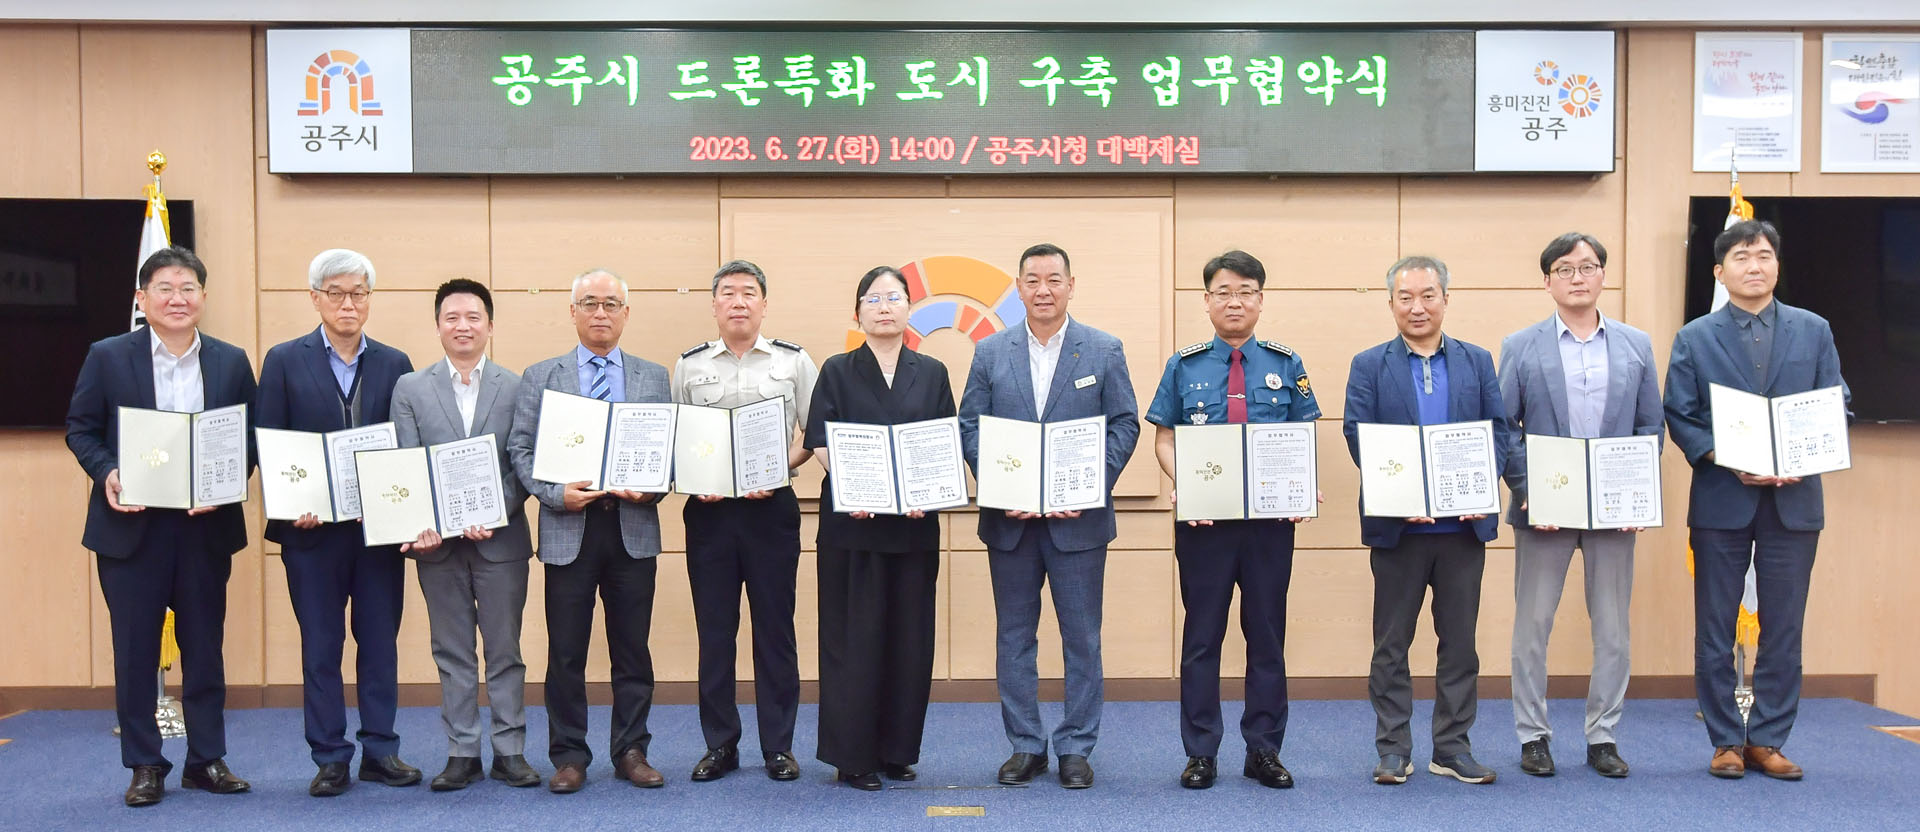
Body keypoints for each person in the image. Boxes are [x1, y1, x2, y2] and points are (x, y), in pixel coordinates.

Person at [65, 246, 256, 807]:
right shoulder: (108, 356)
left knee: (206, 649)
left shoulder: (230, 361)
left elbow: (249, 438)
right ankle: (145, 764)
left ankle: (206, 760)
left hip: (204, 529)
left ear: (203, 296)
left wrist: (224, 485)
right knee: (134, 651)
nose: (178, 298)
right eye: (165, 288)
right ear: (141, 298)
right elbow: (81, 429)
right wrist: (109, 472)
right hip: (132, 528)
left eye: (188, 288)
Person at [1664, 219, 1848, 781]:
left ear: (1777, 266)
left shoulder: (1813, 329)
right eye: (1742, 257)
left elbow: (1836, 400)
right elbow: (1680, 413)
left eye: (1764, 255)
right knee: (1715, 627)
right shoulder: (1695, 336)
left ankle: (1767, 739)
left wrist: (1804, 453)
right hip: (1723, 497)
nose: (1755, 266)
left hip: (1794, 502)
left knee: (1784, 628)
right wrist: (1725, 457)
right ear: (1720, 272)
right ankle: (1724, 740)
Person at [959, 242, 1141, 790]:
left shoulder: (1103, 349)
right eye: (1033, 280)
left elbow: (1125, 424)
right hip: (1011, 524)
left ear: (1071, 285)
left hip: (1077, 523)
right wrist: (998, 487)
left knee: (1082, 639)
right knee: (1014, 638)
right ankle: (1025, 745)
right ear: (1019, 288)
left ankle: (1076, 747)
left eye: (1054, 280)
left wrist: (1089, 485)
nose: (1044, 290)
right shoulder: (990, 352)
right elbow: (971, 425)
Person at [1146, 251, 1320, 791]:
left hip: (1269, 526)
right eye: (1223, 292)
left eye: (1245, 291)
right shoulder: (1184, 365)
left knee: (1266, 635)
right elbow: (1165, 438)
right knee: (1202, 637)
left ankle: (1264, 750)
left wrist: (1303, 483)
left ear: (1260, 300)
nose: (1235, 301)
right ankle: (1200, 752)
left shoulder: (1286, 363)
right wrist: (1186, 481)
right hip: (1205, 527)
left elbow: (1302, 436)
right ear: (1207, 301)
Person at [1498, 233, 1662, 779]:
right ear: (1547, 281)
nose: (1577, 277)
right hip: (1544, 508)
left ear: (1603, 276)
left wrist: (1637, 491)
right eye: (1565, 269)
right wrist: (1528, 487)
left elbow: (1649, 426)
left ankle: (1603, 736)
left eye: (1588, 267)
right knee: (1532, 626)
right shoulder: (1521, 345)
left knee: (1613, 630)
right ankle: (1533, 735)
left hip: (1613, 510)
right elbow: (1505, 426)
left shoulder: (1636, 345)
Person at [256, 248, 418, 797]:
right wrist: (289, 503)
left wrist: (400, 506)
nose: (348, 304)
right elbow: (268, 441)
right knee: (320, 647)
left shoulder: (395, 363)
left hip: (377, 533)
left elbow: (406, 445)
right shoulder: (284, 359)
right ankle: (329, 756)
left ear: (369, 299)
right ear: (315, 299)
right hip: (311, 535)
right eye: (336, 293)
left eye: (358, 293)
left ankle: (381, 750)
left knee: (379, 643)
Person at [1343, 255, 1508, 786]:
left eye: (1428, 295)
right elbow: (1357, 434)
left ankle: (1452, 747)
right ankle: (1393, 748)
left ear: (1445, 299)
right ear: (1391, 302)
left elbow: (1498, 432)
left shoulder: (1477, 360)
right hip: (1400, 530)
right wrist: (1396, 495)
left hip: (1462, 529)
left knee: (1459, 644)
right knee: (1391, 644)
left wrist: (1482, 488)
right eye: (1406, 297)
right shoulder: (1369, 364)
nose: (1418, 307)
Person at [507, 268, 671, 793]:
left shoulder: (653, 377)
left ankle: (631, 750)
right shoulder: (541, 375)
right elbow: (520, 449)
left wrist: (650, 489)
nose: (601, 313)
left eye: (611, 304)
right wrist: (557, 494)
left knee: (633, 649)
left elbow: (667, 451)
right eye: (590, 303)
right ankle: (569, 756)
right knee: (566, 652)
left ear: (626, 313)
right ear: (573, 311)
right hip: (568, 528)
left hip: (632, 528)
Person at [804, 266, 955, 791]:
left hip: (914, 527)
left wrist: (925, 493)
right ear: (857, 313)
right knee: (854, 641)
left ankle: (896, 751)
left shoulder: (932, 371)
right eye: (873, 299)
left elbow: (943, 440)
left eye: (894, 297)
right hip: (854, 527)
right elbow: (820, 438)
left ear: (910, 309)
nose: (884, 307)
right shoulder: (837, 369)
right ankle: (853, 757)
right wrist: (855, 489)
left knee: (909, 640)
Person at [388, 279, 539, 791]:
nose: (463, 326)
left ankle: (510, 750)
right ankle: (462, 752)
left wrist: (494, 511)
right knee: (452, 652)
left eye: (473, 317)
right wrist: (424, 522)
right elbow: (406, 462)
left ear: (490, 326)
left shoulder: (517, 387)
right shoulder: (411, 388)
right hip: (438, 546)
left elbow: (523, 464)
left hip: (501, 542)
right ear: (437, 326)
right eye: (451, 317)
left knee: (505, 651)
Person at [670, 260, 817, 783]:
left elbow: (813, 433)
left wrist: (777, 469)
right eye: (728, 293)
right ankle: (720, 745)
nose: (738, 301)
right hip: (710, 513)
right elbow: (676, 437)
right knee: (715, 632)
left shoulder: (794, 361)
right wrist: (695, 477)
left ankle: (779, 746)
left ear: (764, 304)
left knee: (775, 629)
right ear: (714, 305)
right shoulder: (689, 366)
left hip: (770, 510)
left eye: (749, 293)